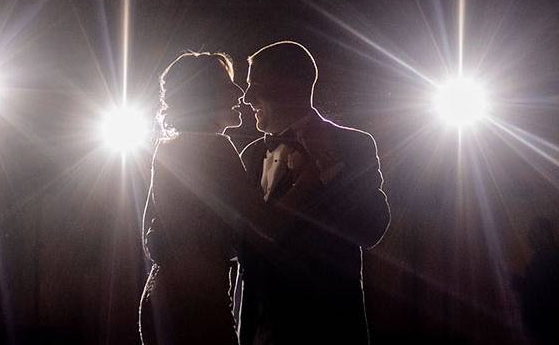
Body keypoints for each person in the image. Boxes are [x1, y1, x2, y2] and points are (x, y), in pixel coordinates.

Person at [235, 40, 391, 345]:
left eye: (255, 84)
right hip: (261, 329)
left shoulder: (353, 145)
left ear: (292, 86)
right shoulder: (251, 155)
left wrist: (330, 165)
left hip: (328, 327)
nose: (246, 96)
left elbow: (372, 228)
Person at [139, 52, 271, 345]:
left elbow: (151, 234)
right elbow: (260, 225)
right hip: (197, 303)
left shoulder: (166, 149)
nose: (239, 93)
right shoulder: (216, 147)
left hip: (161, 294)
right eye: (228, 85)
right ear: (204, 95)